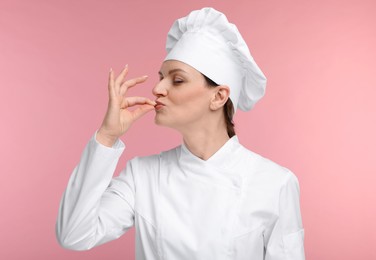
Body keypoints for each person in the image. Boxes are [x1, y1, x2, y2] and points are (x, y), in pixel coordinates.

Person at [56, 7, 305, 260]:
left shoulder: (274, 183)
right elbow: (74, 234)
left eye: (177, 80)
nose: (157, 88)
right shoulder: (143, 176)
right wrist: (107, 136)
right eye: (161, 77)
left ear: (218, 96)